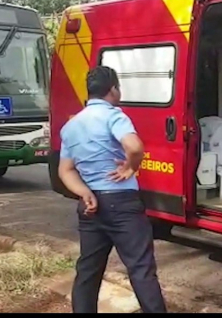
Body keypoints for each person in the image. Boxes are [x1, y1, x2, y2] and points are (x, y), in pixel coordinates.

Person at [58, 66, 167, 314]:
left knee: (88, 270)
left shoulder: (72, 126)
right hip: (122, 204)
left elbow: (66, 170)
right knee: (141, 269)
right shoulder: (113, 115)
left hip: (90, 205)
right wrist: (131, 167)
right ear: (113, 90)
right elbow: (135, 147)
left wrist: (84, 192)